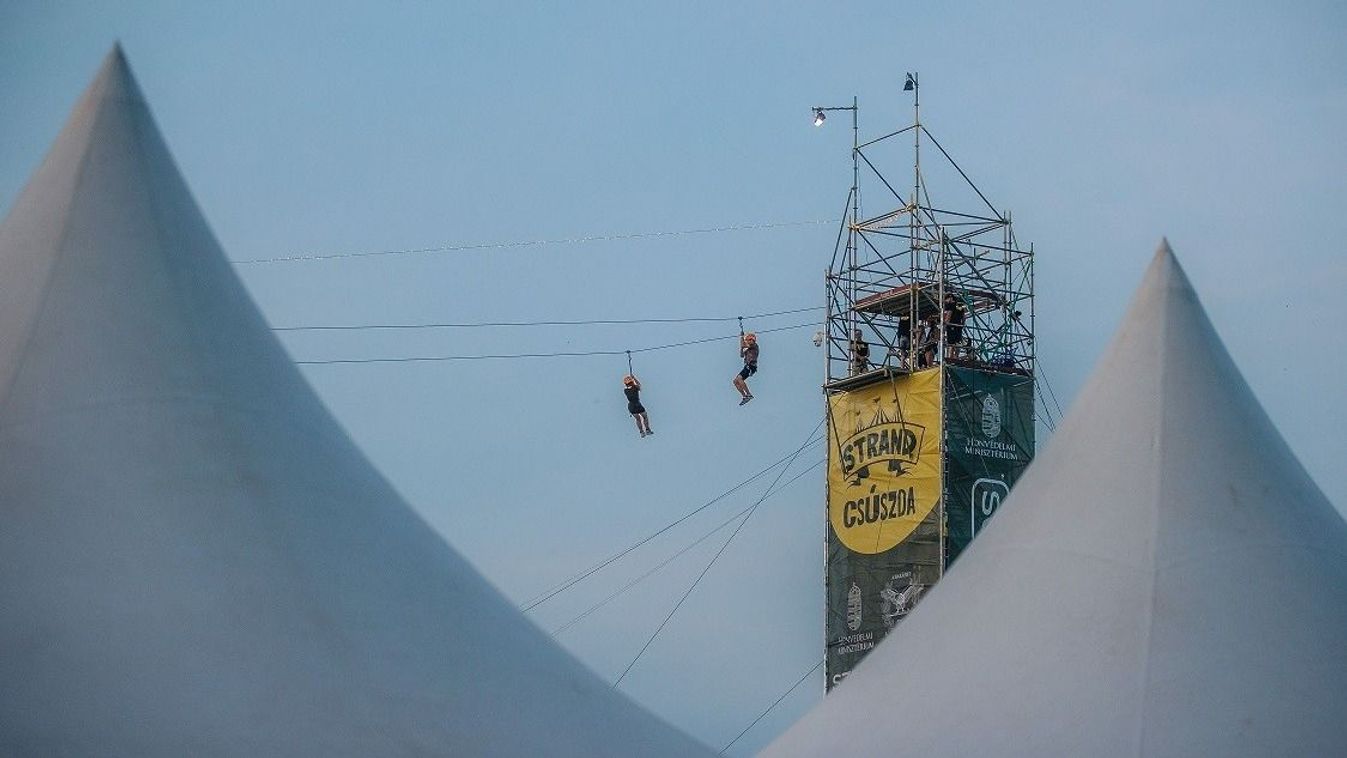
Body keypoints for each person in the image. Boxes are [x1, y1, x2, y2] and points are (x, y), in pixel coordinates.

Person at [734, 332, 759, 405]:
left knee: (739, 379)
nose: (750, 341)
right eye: (749, 340)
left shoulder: (755, 346)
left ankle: (748, 394)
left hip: (751, 366)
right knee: (735, 381)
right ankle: (745, 396)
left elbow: (743, 345)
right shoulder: (748, 350)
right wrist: (741, 348)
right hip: (747, 366)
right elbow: (741, 355)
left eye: (751, 340)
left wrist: (741, 337)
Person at [943, 293, 967, 360]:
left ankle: (951, 357)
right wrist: (962, 324)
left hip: (951, 325)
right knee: (958, 342)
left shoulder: (951, 305)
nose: (946, 302)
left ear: (949, 298)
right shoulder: (959, 305)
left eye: (946, 300)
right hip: (958, 325)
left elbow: (949, 315)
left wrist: (945, 325)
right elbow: (964, 316)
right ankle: (956, 356)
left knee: (951, 342)